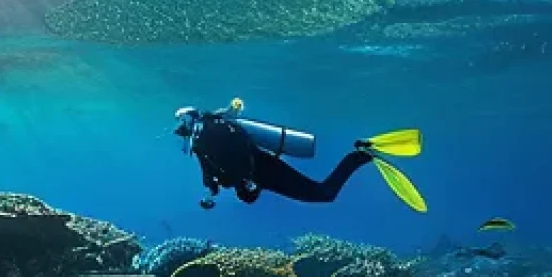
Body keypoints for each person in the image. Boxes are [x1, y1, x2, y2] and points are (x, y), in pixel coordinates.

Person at [174, 100, 426, 212]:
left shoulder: (217, 130)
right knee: (319, 194)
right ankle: (359, 155)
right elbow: (208, 171)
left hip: (265, 169)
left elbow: (241, 149)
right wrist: (211, 192)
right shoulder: (202, 144)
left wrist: (245, 177)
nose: (181, 132)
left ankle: (359, 155)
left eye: (182, 126)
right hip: (258, 176)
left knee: (323, 194)